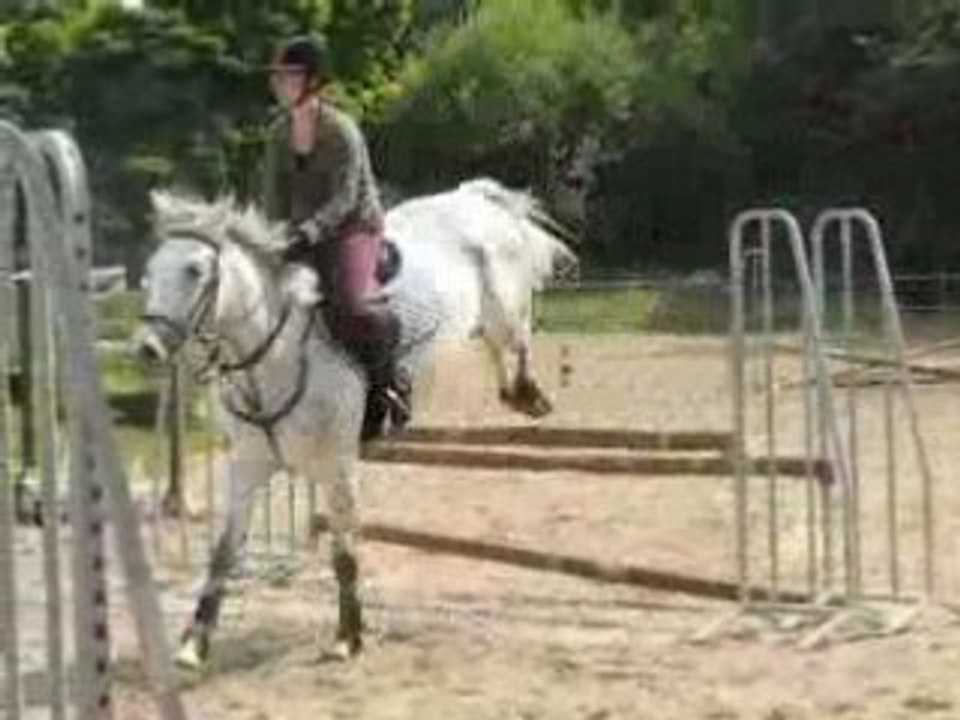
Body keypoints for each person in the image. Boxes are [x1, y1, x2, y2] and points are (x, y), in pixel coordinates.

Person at [261, 34, 410, 439]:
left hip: (354, 225)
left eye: (287, 77)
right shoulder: (277, 135)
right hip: (301, 233)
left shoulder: (342, 131)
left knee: (350, 306)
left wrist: (309, 232)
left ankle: (389, 385)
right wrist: (268, 240)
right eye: (277, 77)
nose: (277, 84)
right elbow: (272, 198)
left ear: (312, 82)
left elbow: (346, 197)